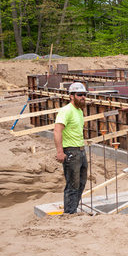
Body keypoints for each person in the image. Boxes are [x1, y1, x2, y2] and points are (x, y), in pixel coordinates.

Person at [54, 82, 88, 215]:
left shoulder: (79, 111)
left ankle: (73, 209)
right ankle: (69, 213)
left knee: (81, 182)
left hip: (80, 150)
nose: (83, 97)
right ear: (71, 96)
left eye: (84, 95)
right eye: (80, 95)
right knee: (72, 184)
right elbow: (57, 131)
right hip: (71, 152)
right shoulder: (66, 111)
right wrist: (60, 151)